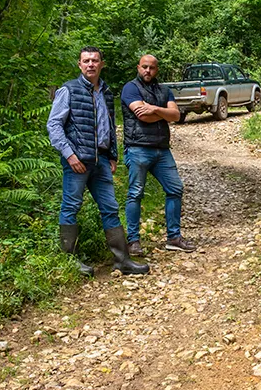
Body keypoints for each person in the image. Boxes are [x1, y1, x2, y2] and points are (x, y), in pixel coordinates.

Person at [47, 46, 149, 277]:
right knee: (71, 207)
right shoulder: (68, 90)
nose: (91, 64)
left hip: (101, 161)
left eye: (95, 60)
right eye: (86, 61)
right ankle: (69, 261)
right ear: (79, 65)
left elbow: (109, 127)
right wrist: (70, 156)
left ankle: (122, 260)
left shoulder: (106, 92)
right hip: (77, 161)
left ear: (102, 64)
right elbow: (54, 126)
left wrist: (112, 154)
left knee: (110, 208)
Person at [121, 54, 196, 256]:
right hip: (138, 147)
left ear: (157, 70)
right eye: (144, 67)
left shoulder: (164, 90)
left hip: (162, 149)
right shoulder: (130, 88)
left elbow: (176, 115)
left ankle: (174, 238)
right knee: (135, 193)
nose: (148, 71)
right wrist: (163, 113)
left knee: (175, 189)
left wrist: (154, 108)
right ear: (138, 67)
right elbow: (142, 116)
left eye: (152, 68)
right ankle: (133, 241)